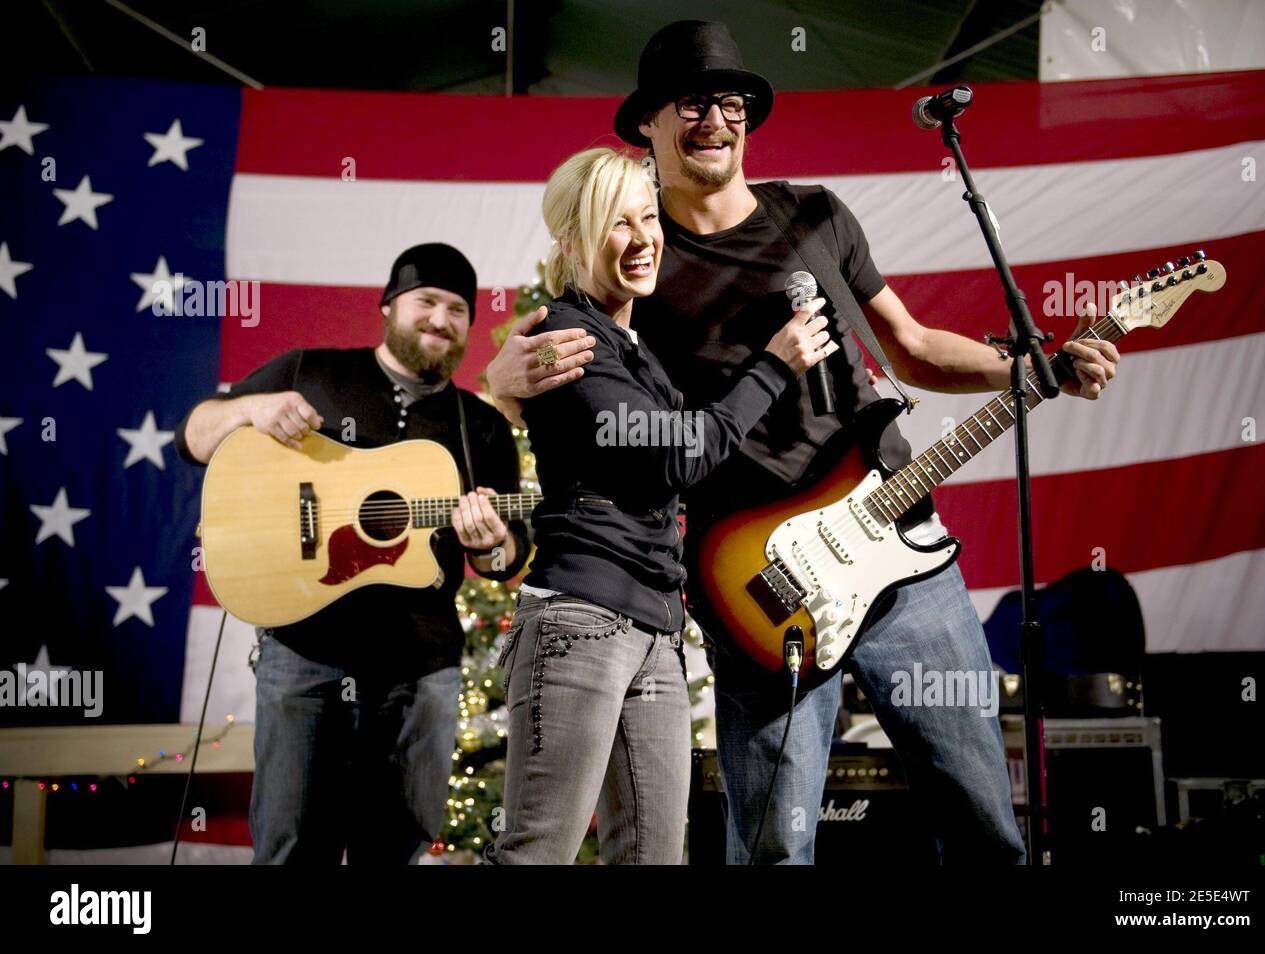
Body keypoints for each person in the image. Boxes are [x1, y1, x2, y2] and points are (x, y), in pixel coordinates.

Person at [487, 21, 1119, 864]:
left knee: (983, 823)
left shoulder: (815, 211)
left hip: (900, 555)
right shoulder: (634, 247)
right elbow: (567, 355)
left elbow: (914, 347)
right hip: (761, 583)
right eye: (690, 102)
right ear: (647, 125)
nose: (715, 117)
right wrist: (499, 376)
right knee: (777, 846)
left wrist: (1033, 364)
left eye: (731, 100)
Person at [484, 147, 831, 864]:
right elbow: (677, 454)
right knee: (537, 853)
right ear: (573, 242)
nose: (644, 239)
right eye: (619, 224)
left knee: (652, 857)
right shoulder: (566, 339)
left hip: (656, 631)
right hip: (581, 622)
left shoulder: (634, 347)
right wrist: (775, 365)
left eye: (649, 217)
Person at [178, 243, 531, 864]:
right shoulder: (310, 371)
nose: (440, 320)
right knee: (290, 848)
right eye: (426, 301)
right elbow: (195, 437)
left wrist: (495, 541)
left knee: (394, 850)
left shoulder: (482, 427)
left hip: (421, 668)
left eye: (457, 310)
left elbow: (504, 562)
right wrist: (252, 409)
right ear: (389, 306)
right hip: (305, 654)